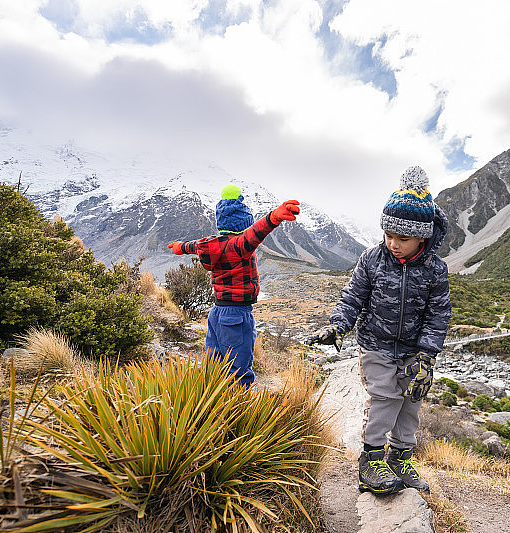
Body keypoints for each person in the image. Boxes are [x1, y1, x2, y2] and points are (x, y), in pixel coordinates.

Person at [307, 166, 450, 495]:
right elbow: (352, 297)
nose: (393, 243)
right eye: (388, 234)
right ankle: (370, 463)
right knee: (385, 397)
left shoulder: (435, 270)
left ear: (423, 237)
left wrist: (426, 358)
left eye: (403, 238)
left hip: (414, 350)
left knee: (411, 401)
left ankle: (401, 460)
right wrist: (338, 324)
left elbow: (438, 312)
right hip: (376, 345)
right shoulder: (372, 259)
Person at [168, 184, 300, 386]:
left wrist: (179, 247)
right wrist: (274, 217)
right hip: (236, 316)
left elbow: (193, 245)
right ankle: (238, 409)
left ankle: (212, 400)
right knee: (239, 369)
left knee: (215, 363)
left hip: (217, 313)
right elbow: (256, 232)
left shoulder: (209, 244)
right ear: (242, 226)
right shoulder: (239, 245)